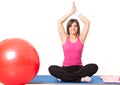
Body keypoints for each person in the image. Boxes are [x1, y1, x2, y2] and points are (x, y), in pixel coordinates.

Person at [48, 2, 98, 82]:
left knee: (94, 67)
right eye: (71, 26)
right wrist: (71, 12)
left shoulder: (81, 38)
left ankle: (65, 78)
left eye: (75, 26)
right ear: (68, 28)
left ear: (78, 28)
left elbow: (87, 22)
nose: (73, 28)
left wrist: (76, 12)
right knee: (51, 68)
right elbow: (59, 21)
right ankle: (79, 79)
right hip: (65, 69)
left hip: (79, 69)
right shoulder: (64, 38)